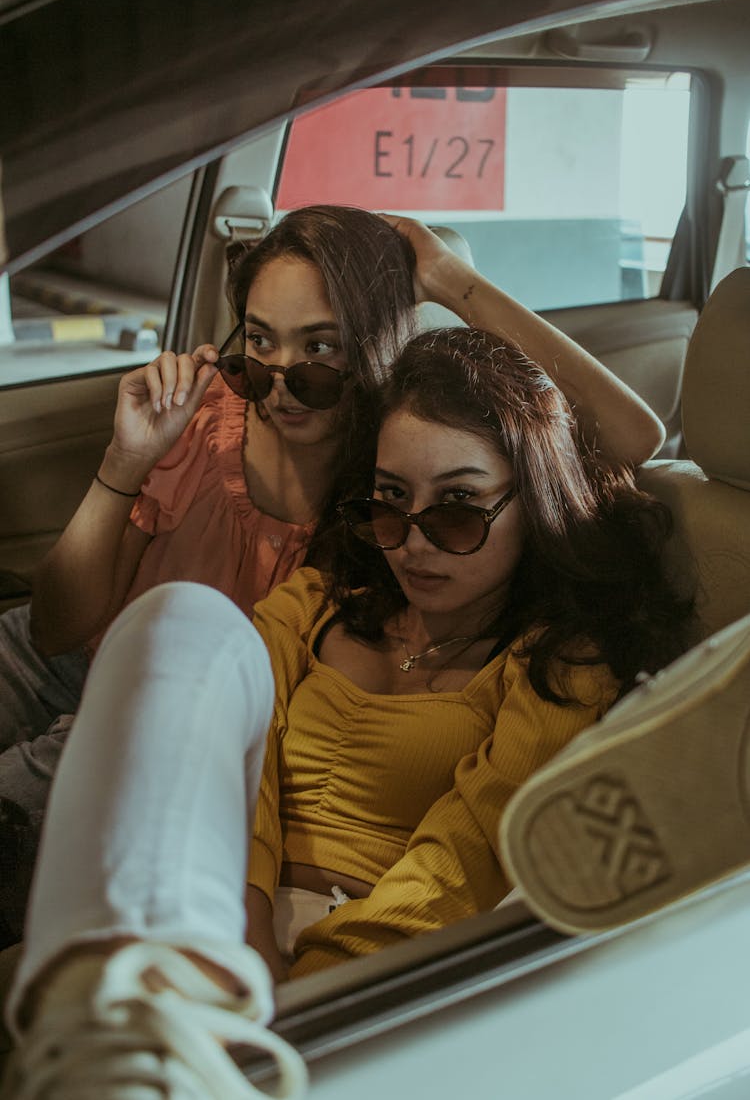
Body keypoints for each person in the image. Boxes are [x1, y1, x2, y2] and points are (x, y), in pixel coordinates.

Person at [0, 325, 689, 1097]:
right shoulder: (323, 601)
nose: (413, 544)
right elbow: (233, 761)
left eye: (457, 510)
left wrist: (302, 1000)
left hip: (368, 977)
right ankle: (138, 1001)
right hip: (212, 922)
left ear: (532, 502)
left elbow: (465, 858)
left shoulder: (561, 664)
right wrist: (249, 928)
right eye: (391, 503)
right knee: (179, 618)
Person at [0, 209, 664, 946]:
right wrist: (124, 463)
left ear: (371, 350)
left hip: (166, 717)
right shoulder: (210, 418)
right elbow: (55, 629)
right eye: (258, 343)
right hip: (98, 660)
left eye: (319, 349)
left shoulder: (388, 475)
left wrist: (450, 278)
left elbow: (624, 436)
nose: (282, 385)